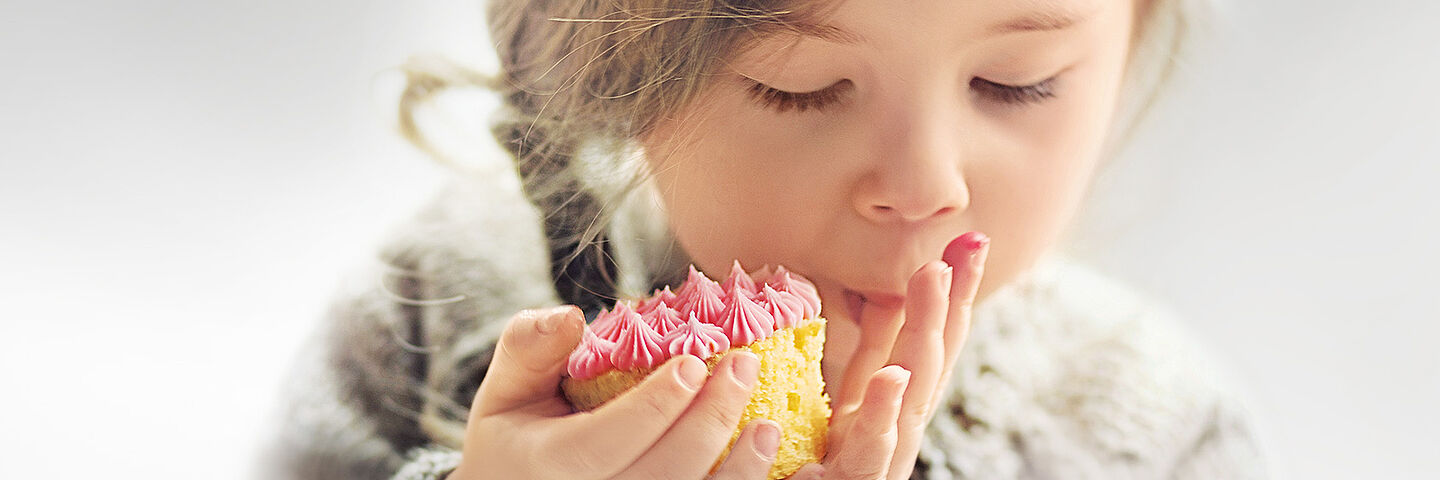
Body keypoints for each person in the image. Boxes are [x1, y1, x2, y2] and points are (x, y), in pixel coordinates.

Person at [260, 0, 1268, 478]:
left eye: (1018, 81)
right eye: (799, 88)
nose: (924, 188)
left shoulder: (1157, 435)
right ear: (607, 72)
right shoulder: (430, 311)